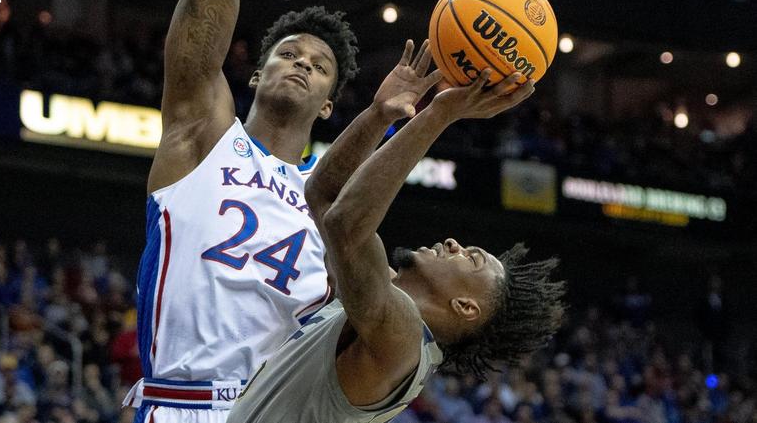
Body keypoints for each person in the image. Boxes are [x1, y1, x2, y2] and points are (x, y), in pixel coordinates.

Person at [126, 0, 429, 423]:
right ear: (256, 75)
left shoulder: (331, 210)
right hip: (182, 406)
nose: (300, 63)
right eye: (287, 53)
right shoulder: (202, 136)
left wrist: (382, 118)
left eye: (319, 66)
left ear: (327, 104)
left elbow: (347, 226)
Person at [227, 69, 566, 423]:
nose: (454, 244)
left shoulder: (404, 344)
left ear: (466, 306)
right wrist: (380, 114)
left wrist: (439, 113)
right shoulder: (383, 308)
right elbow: (323, 196)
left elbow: (345, 223)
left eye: (471, 258)